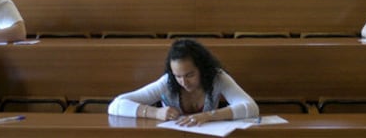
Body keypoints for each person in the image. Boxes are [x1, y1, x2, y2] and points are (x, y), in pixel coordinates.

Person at [108, 39, 258, 123]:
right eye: (178, 76)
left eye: (189, 75)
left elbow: (251, 108)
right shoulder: (167, 82)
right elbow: (116, 105)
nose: (183, 82)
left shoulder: (217, 77)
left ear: (202, 69)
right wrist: (155, 112)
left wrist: (208, 116)